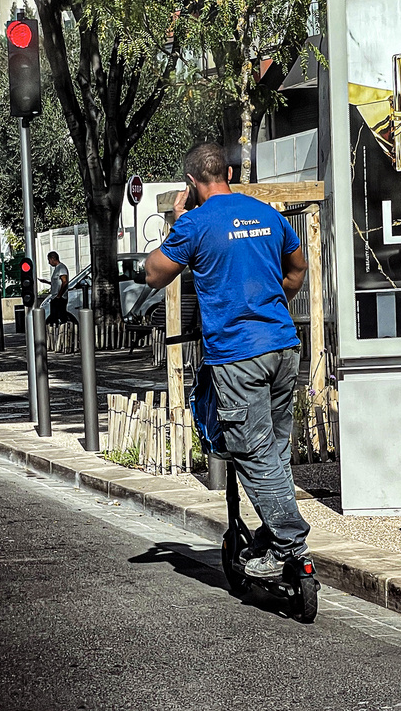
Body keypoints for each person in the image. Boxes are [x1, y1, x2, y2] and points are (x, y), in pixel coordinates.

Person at [145, 142, 310, 579]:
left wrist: (178, 222)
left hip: (239, 357)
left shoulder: (195, 223)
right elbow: (297, 269)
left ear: (191, 185)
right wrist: (269, 308)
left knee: (251, 452)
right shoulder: (269, 214)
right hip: (284, 346)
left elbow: (153, 273)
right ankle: (270, 535)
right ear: (230, 175)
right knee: (274, 449)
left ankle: (290, 545)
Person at [44, 251, 69, 325]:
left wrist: (59, 295)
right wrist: (47, 282)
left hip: (60, 298)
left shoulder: (61, 268)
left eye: (49, 260)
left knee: (59, 317)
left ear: (52, 259)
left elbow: (64, 282)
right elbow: (57, 283)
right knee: (53, 318)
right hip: (55, 297)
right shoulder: (56, 269)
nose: (49, 263)